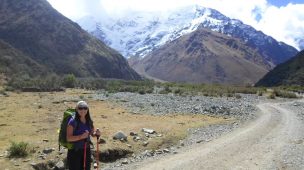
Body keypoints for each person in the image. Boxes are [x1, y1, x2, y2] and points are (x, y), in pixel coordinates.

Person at [66, 101, 100, 170]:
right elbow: (69, 138)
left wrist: (96, 134)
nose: (83, 110)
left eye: (85, 108)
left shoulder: (89, 121)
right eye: (80, 108)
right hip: (74, 151)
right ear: (76, 109)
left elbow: (91, 133)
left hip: (86, 150)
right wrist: (81, 137)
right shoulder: (72, 121)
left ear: (87, 109)